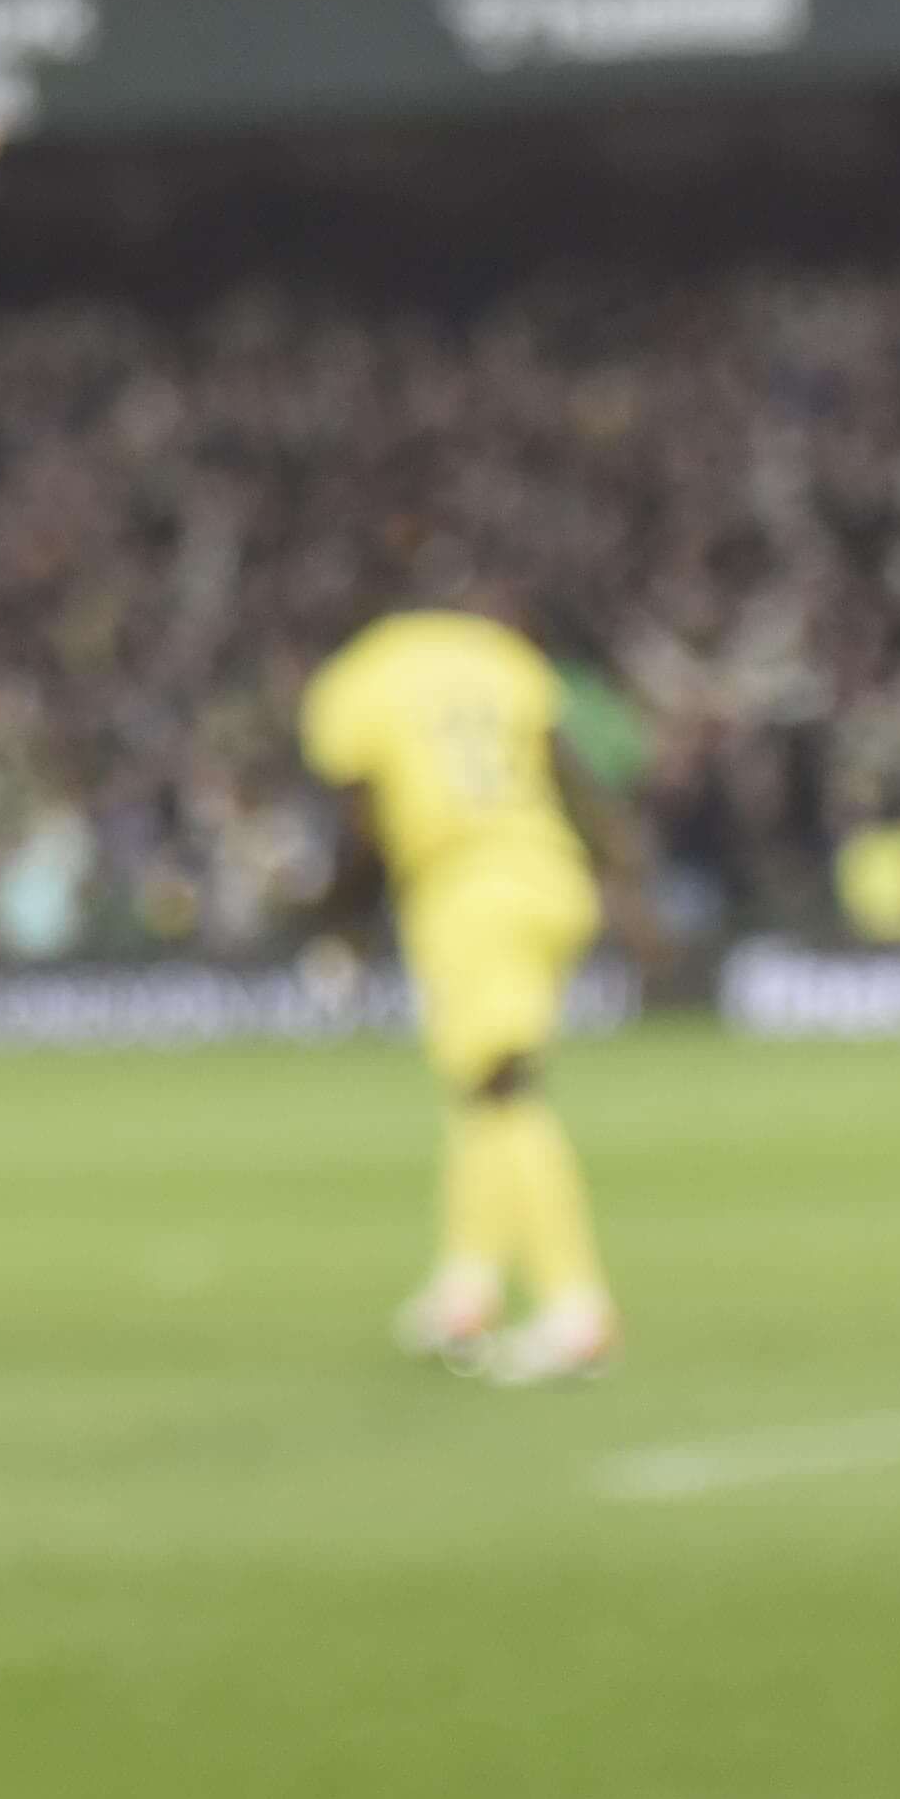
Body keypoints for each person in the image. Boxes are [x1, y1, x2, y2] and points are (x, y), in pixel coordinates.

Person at [303, 591, 663, 1387]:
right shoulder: (499, 656)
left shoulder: (358, 680)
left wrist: (342, 925)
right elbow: (570, 773)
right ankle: (467, 1287)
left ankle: (576, 1307)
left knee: (504, 1092)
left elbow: (361, 819)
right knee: (480, 1090)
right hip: (549, 873)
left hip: (467, 887)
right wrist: (624, 878)